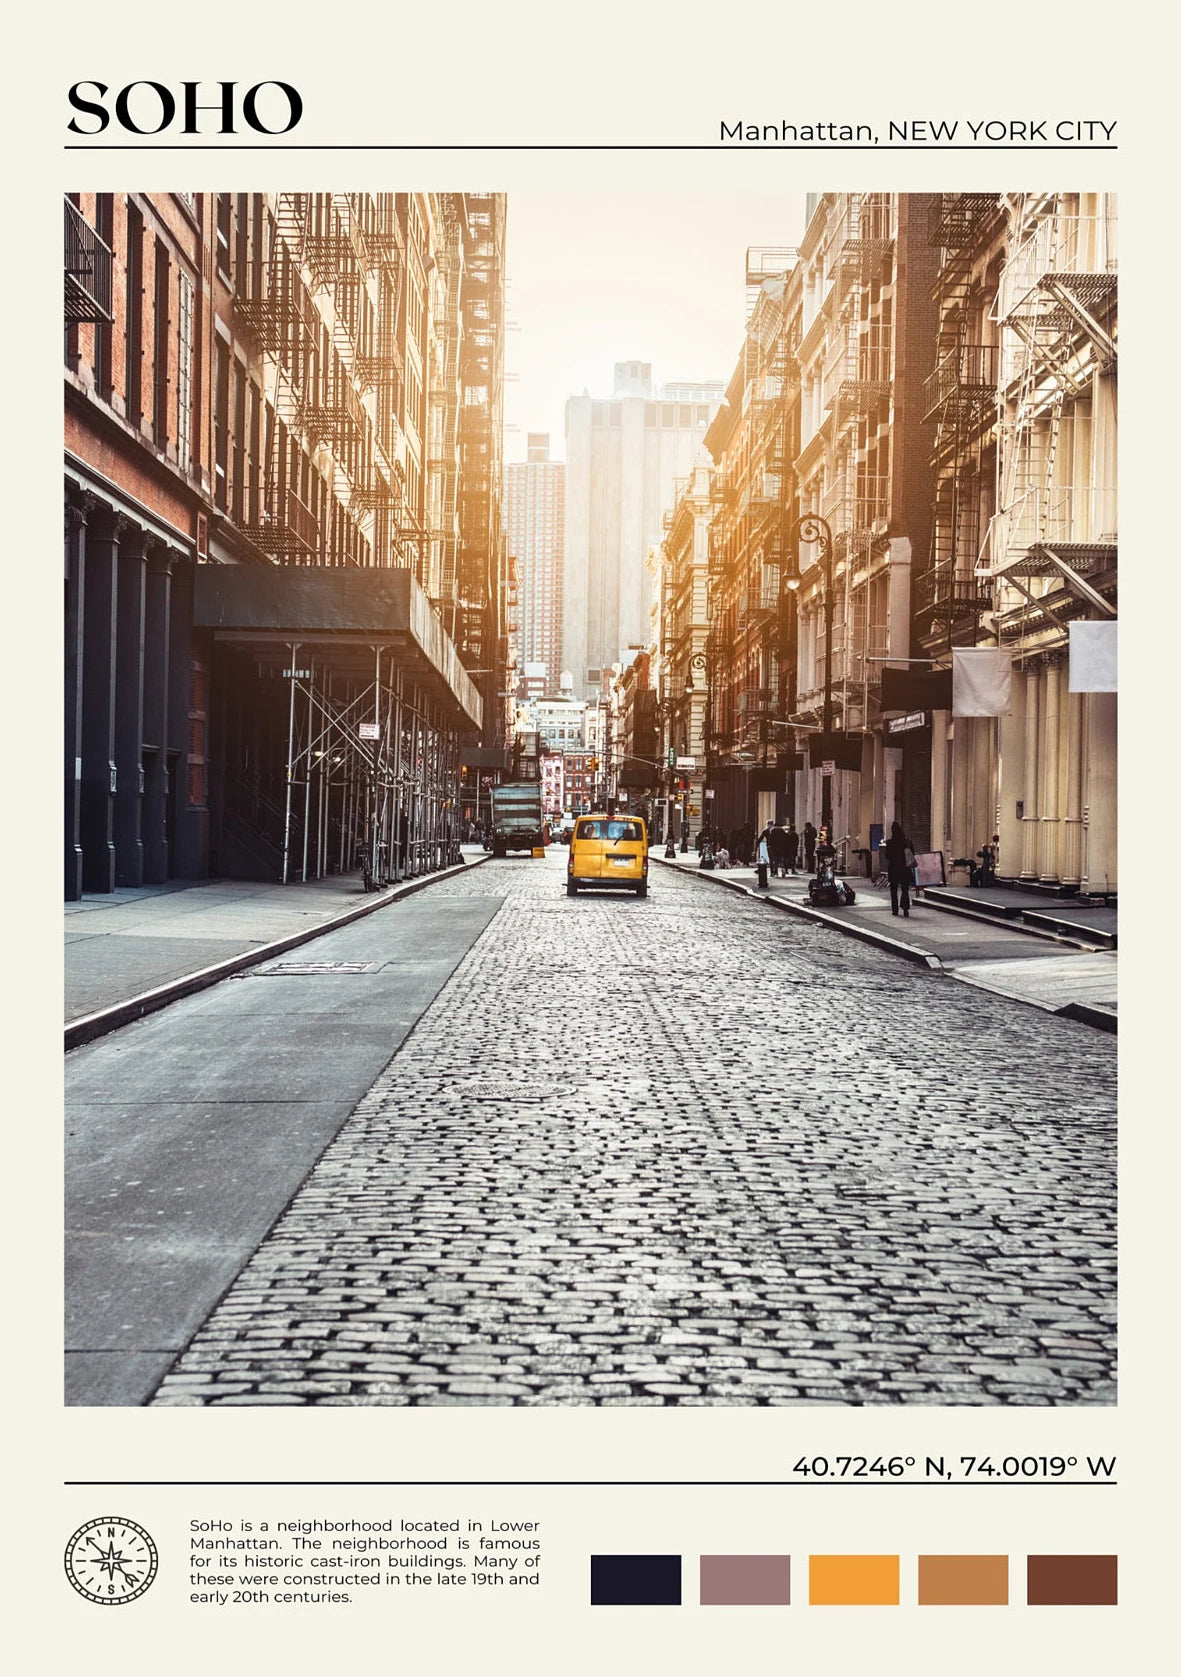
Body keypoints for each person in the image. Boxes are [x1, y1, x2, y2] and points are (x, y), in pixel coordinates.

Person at [884, 819, 914, 917]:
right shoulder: (907, 842)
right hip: (904, 868)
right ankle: (905, 909)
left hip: (893, 868)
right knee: (905, 889)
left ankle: (895, 910)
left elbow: (887, 856)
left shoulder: (890, 843)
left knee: (893, 890)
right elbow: (912, 853)